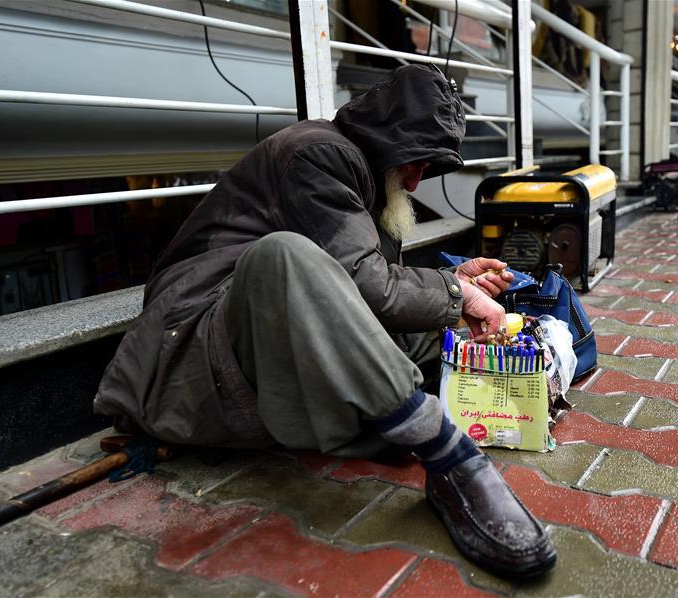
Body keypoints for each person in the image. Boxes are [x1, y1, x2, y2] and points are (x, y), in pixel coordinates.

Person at [94, 64, 557, 579]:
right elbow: (360, 281)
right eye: (417, 161)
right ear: (389, 139)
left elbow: (365, 284)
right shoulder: (319, 154)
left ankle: (487, 394)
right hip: (199, 353)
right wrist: (458, 293)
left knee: (433, 333)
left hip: (266, 349)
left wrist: (456, 283)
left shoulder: (362, 168)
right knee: (284, 255)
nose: (417, 177)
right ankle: (446, 456)